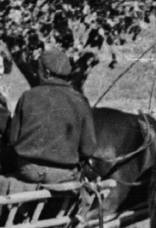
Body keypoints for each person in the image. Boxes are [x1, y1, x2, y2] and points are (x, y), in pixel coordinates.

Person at [5, 48, 97, 184]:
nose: (37, 73)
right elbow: (88, 149)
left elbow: (13, 139)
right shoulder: (80, 100)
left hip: (28, 171)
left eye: (39, 69)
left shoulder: (28, 96)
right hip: (62, 175)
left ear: (46, 73)